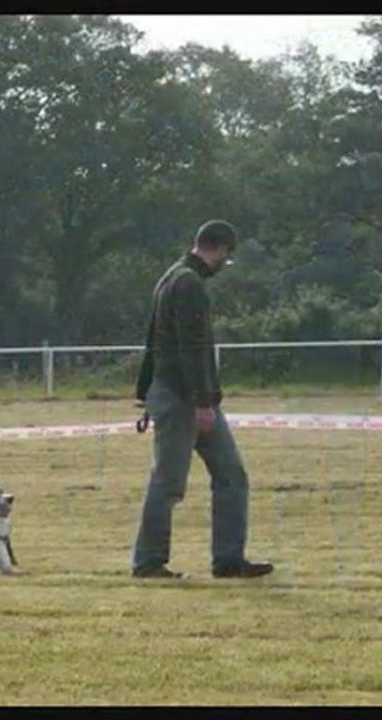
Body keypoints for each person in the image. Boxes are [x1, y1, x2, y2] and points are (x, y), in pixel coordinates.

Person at [131, 219, 273, 579]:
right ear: (220, 248)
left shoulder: (171, 276)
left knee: (231, 475)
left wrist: (145, 391)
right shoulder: (190, 284)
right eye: (227, 256)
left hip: (177, 393)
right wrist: (202, 403)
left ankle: (228, 559)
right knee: (169, 482)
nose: (225, 264)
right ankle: (148, 562)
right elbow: (191, 350)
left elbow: (153, 341)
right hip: (185, 397)